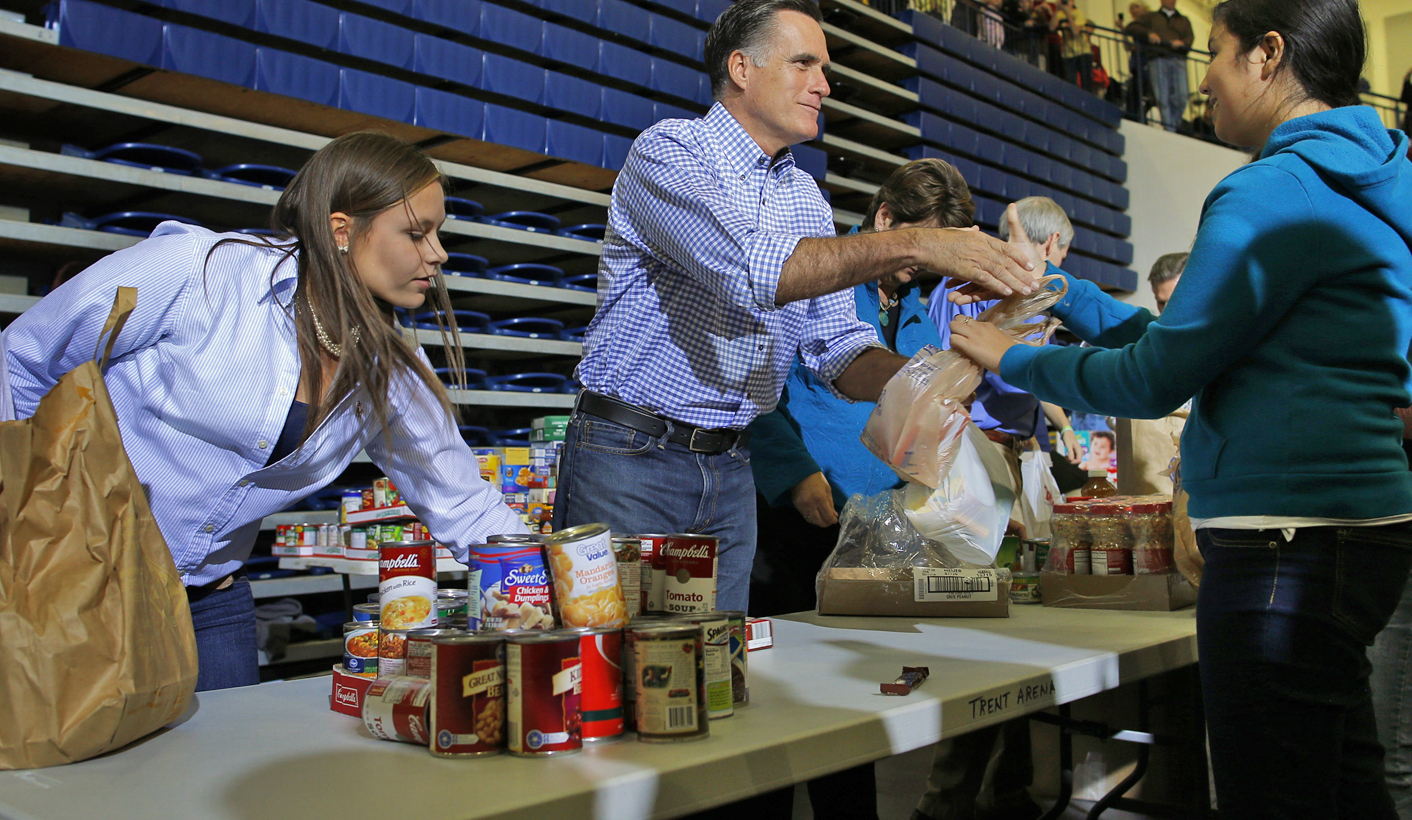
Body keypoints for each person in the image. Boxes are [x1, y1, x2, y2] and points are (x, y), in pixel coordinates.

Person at [948, 0, 1412, 815]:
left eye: (1220, 54)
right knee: (1342, 784)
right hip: (1354, 528)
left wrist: (1009, 355)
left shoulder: (1273, 191)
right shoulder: (1369, 181)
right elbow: (1195, 345)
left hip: (1281, 541)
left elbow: (1156, 377)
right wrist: (1059, 291)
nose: (1206, 86)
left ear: (1268, 55)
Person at [552, 0, 1035, 615]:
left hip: (731, 467)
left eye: (824, 69)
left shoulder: (803, 194)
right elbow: (755, 270)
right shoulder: (669, 153)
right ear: (741, 69)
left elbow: (839, 350)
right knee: (610, 657)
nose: (823, 85)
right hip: (632, 457)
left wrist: (951, 368)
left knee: (713, 661)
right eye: (804, 64)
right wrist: (919, 242)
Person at [2, 132, 528, 692]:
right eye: (417, 233)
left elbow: (463, 503)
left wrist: (551, 585)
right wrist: (25, 510)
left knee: (224, 750)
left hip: (208, 603)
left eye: (438, 233)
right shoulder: (198, 273)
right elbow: (22, 359)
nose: (438, 254)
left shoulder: (393, 368)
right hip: (73, 583)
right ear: (342, 230)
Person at [748, 156, 977, 820]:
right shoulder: (820, 275)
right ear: (885, 219)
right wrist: (792, 472)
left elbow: (922, 407)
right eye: (919, 248)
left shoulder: (913, 304)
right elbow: (756, 386)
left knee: (849, 698)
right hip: (797, 519)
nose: (922, 268)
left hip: (871, 529)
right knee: (775, 690)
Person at [930, 196, 1084, 481]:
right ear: (1052, 242)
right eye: (1064, 253)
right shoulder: (1000, 288)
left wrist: (1065, 428)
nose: (1062, 263)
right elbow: (1022, 377)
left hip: (980, 439)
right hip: (981, 443)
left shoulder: (960, 283)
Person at [1126, 0, 1193, 132]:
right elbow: (1131, 27)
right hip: (1158, 59)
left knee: (1181, 96)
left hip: (1178, 59)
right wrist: (1148, 33)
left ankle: (1172, 126)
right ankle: (1170, 128)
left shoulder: (1183, 20)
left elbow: (1189, 37)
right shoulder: (1151, 17)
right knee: (1162, 97)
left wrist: (1182, 43)